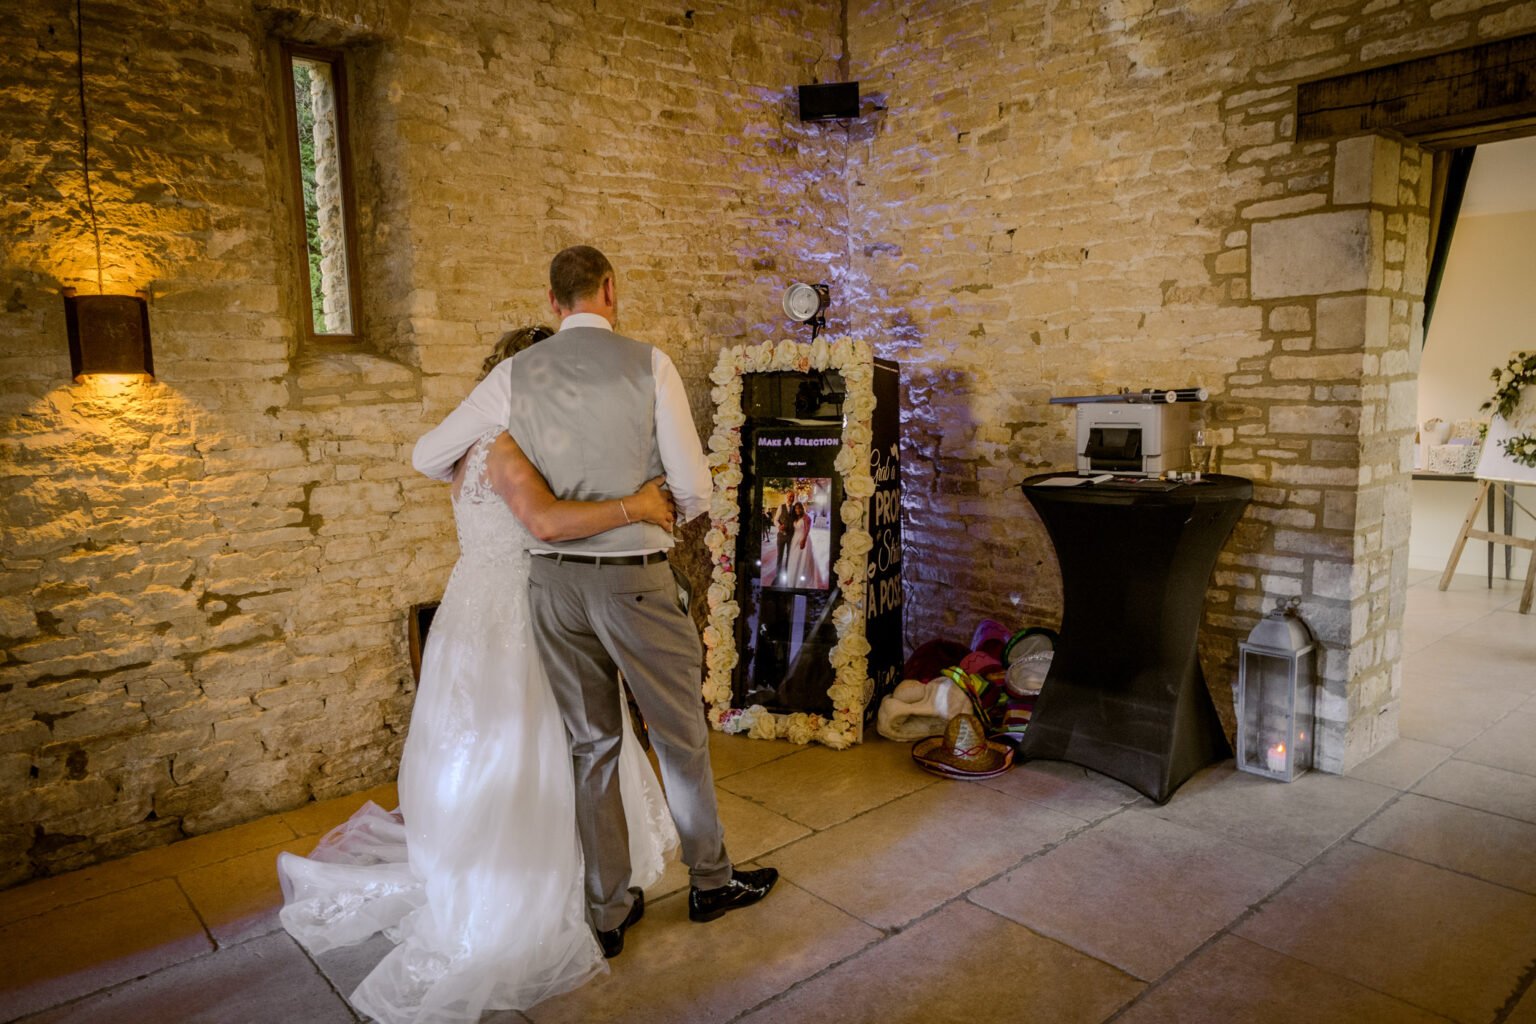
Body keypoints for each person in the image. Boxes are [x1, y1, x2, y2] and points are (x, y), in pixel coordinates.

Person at [276, 326, 682, 1023]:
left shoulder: (467, 445)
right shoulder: (507, 444)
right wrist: (636, 507)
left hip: (474, 606)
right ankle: (551, 883)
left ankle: (539, 865)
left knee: (490, 746)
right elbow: (547, 524)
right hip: (521, 614)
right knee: (548, 745)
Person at [411, 246, 777, 960]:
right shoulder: (650, 364)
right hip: (631, 577)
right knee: (678, 735)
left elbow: (430, 455)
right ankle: (711, 881)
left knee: (592, 746)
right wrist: (658, 508)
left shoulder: (513, 376)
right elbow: (695, 489)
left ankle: (607, 909)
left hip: (551, 584)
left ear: (553, 302)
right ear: (610, 290)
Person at [774, 496, 796, 585]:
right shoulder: (781, 507)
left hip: (791, 536)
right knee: (780, 555)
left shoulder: (795, 508)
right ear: (786, 497)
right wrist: (779, 526)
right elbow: (775, 519)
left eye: (793, 497)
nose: (791, 498)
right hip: (781, 535)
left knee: (789, 556)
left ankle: (787, 574)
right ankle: (778, 575)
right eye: (789, 496)